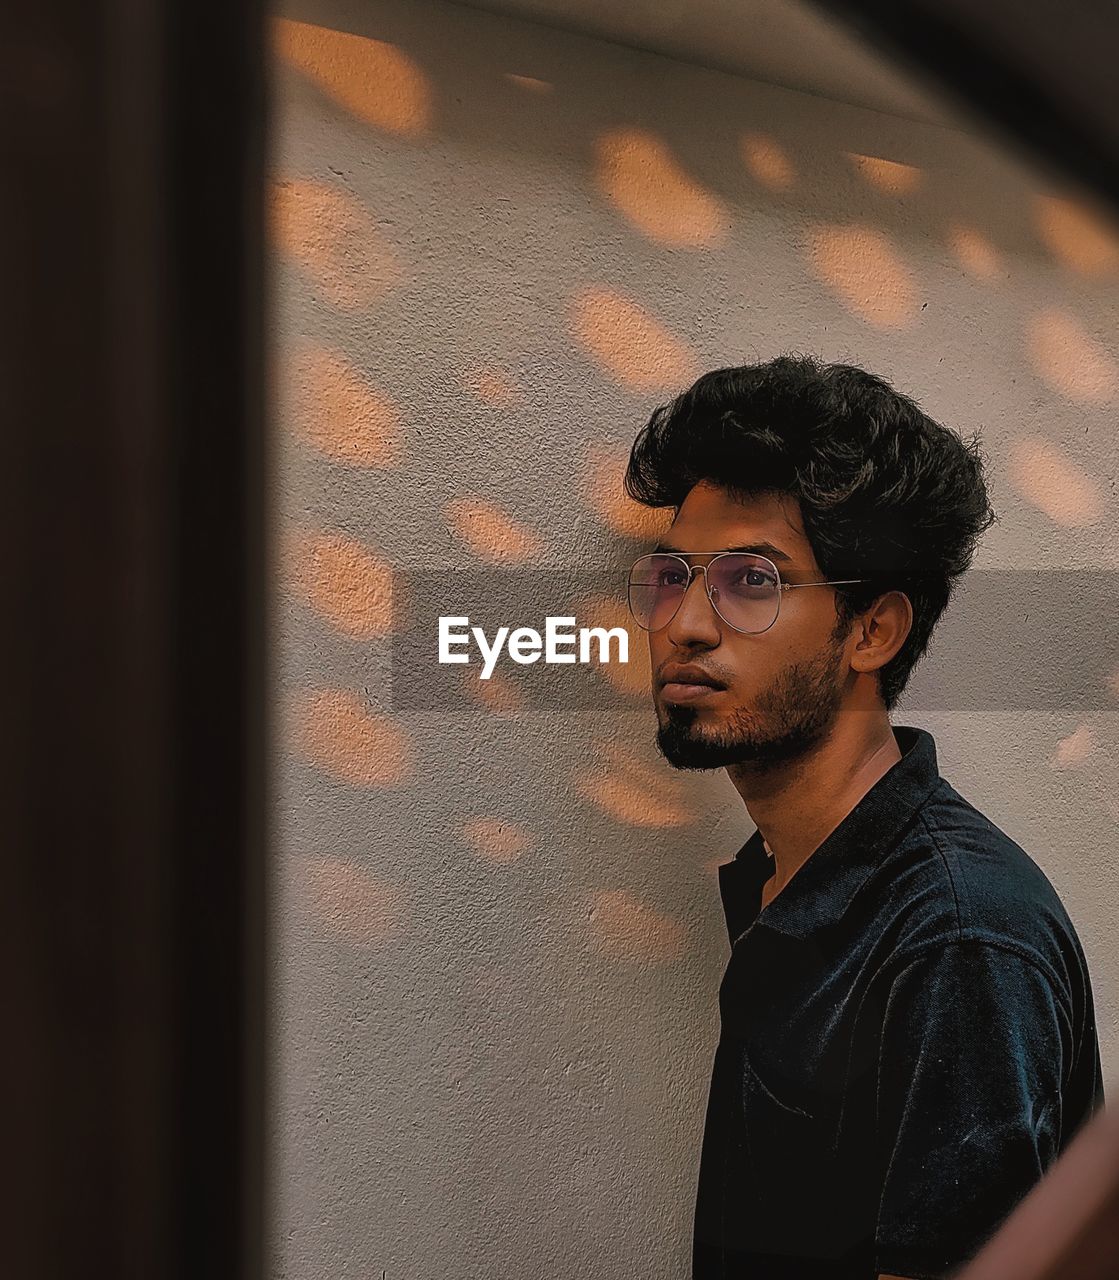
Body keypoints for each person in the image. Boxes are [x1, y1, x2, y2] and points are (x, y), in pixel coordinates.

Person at [623, 356, 1105, 1280]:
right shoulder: (791, 874)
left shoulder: (955, 939)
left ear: (871, 631)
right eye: (671, 574)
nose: (683, 621)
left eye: (750, 582)